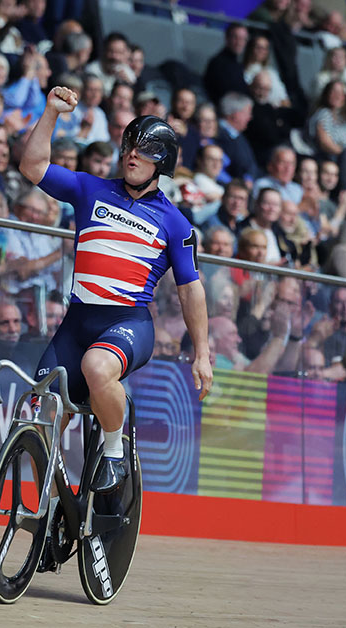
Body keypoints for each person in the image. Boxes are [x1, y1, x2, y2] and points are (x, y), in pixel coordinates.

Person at [19, 85, 212, 501]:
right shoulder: (90, 189)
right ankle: (52, 514)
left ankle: (113, 453)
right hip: (77, 323)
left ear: (163, 162)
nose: (132, 155)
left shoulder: (175, 223)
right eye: (128, 146)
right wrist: (51, 112)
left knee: (96, 365)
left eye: (144, 150)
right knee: (38, 425)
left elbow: (190, 290)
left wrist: (202, 353)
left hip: (127, 323)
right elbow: (33, 166)